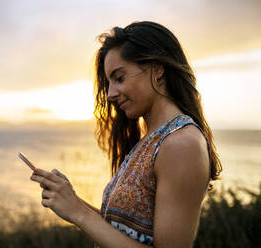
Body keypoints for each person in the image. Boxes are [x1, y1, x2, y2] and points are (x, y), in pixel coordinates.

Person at [30, 21, 222, 248]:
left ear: (157, 69)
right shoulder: (150, 140)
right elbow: (121, 229)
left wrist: (79, 212)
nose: (110, 94)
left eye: (119, 78)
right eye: (109, 82)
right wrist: (71, 200)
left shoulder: (181, 144)